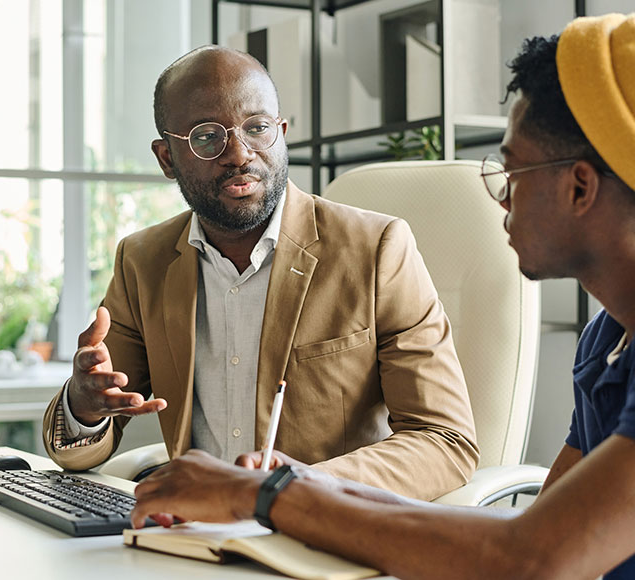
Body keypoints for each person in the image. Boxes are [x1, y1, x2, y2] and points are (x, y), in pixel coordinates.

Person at [130, 12, 635, 580]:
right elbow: (535, 534)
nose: (500, 198)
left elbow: (533, 558)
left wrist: (269, 493)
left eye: (512, 172)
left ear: (581, 186)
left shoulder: (374, 247)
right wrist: (282, 489)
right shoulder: (607, 341)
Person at [42, 44, 478, 500]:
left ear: (282, 133)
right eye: (207, 137)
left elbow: (446, 442)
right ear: (167, 157)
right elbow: (76, 452)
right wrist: (85, 406)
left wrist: (297, 486)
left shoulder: (377, 249)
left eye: (257, 128)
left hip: (321, 534)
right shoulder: (142, 260)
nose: (239, 153)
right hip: (191, 536)